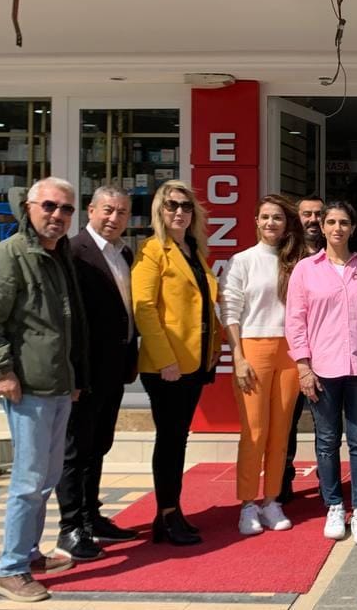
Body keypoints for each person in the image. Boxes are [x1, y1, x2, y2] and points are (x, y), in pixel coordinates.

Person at [0, 178, 88, 603]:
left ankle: (30, 554)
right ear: (29, 207)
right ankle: (11, 569)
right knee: (28, 481)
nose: (58, 215)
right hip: (28, 389)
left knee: (47, 478)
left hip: (57, 386)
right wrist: (3, 373)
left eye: (67, 209)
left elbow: (67, 326)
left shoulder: (58, 255)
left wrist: (74, 380)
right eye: (49, 206)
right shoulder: (8, 255)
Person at [286, 200, 357, 546]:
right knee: (327, 441)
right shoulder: (306, 269)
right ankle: (333, 505)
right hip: (322, 369)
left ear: (353, 228)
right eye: (330, 222)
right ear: (323, 227)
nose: (337, 228)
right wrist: (303, 366)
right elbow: (295, 321)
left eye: (343, 222)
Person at [132, 179, 223, 546]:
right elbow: (144, 309)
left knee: (178, 438)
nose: (179, 212)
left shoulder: (193, 250)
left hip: (194, 362)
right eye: (171, 205)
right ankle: (168, 515)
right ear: (160, 210)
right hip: (167, 366)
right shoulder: (153, 250)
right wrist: (165, 359)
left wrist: (214, 345)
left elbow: (203, 305)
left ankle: (171, 512)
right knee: (170, 440)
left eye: (186, 206)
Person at [56, 186, 139, 563]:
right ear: (90, 210)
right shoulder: (74, 252)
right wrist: (73, 373)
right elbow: (69, 318)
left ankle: (92, 516)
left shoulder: (124, 253)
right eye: (108, 210)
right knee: (75, 451)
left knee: (99, 444)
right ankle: (70, 527)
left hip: (113, 369)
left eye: (121, 212)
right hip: (84, 372)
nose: (114, 218)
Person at [220, 195, 306, 536]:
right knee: (254, 431)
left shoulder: (297, 261)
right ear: (256, 221)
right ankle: (246, 503)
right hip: (253, 348)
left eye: (278, 218)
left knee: (281, 431)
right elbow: (229, 310)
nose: (271, 223)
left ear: (286, 224)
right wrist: (238, 357)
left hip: (290, 350)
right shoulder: (241, 261)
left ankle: (271, 500)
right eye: (265, 217)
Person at [278, 194, 325, 503]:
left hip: (323, 350)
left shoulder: (335, 252)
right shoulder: (284, 255)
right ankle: (283, 479)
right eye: (307, 214)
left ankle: (327, 480)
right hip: (288, 351)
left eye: (318, 214)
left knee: (325, 423)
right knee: (287, 420)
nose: (313, 220)